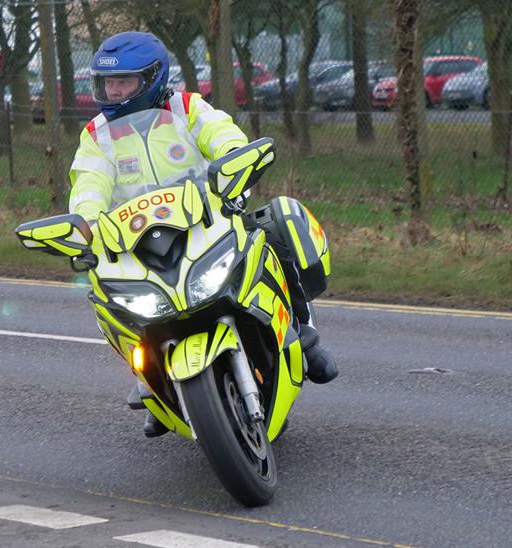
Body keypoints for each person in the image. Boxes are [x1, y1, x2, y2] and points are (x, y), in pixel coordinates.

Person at [68, 32, 337, 437]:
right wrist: (84, 225)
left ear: (153, 79)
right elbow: (89, 183)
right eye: (108, 83)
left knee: (274, 231)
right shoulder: (97, 135)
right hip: (139, 242)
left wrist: (234, 166)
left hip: (208, 220)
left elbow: (223, 135)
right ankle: (151, 379)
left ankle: (305, 335)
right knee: (104, 291)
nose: (114, 91)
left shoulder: (187, 108)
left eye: (124, 82)